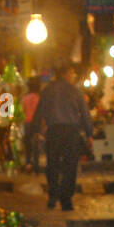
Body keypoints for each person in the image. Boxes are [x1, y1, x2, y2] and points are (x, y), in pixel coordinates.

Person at [31, 63, 93, 210]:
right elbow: (85, 114)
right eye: (72, 74)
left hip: (53, 131)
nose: (73, 77)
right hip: (71, 132)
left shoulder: (47, 91)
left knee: (52, 164)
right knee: (70, 166)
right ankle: (66, 198)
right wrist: (89, 133)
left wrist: (36, 131)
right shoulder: (75, 91)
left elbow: (39, 113)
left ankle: (53, 196)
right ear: (66, 74)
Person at [21, 77, 41, 173]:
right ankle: (36, 165)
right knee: (36, 144)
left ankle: (28, 163)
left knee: (28, 145)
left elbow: (23, 110)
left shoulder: (25, 98)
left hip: (27, 123)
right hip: (37, 123)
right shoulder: (39, 98)